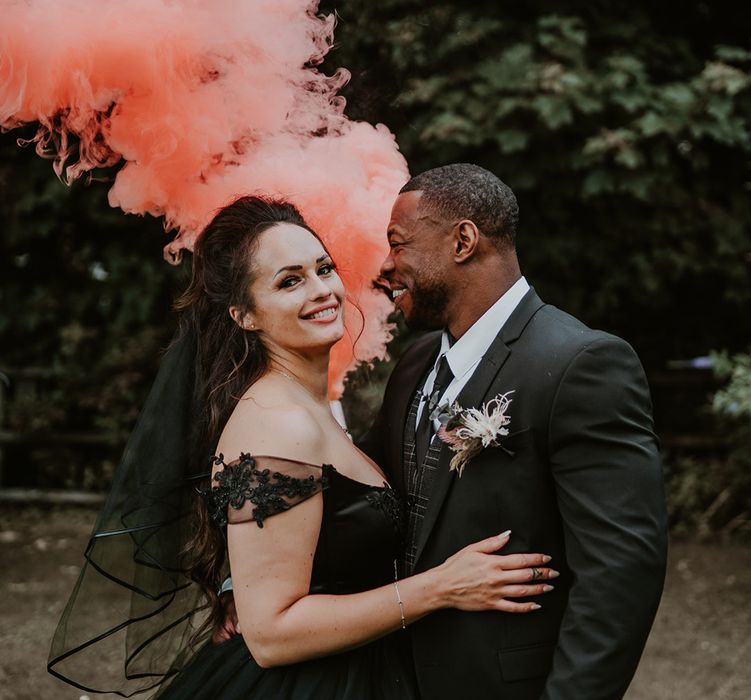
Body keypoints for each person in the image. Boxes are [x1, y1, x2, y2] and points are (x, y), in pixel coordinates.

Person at [48, 195, 556, 699]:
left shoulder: (309, 406)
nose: (322, 291)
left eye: (323, 269)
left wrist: (238, 586)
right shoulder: (278, 423)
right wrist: (440, 588)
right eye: (289, 281)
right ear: (244, 315)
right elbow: (271, 635)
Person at [358, 163, 669, 699]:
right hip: (393, 679)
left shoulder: (582, 364)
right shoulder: (415, 365)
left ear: (463, 241)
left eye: (398, 244)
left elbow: (620, 573)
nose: (386, 266)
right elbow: (357, 494)